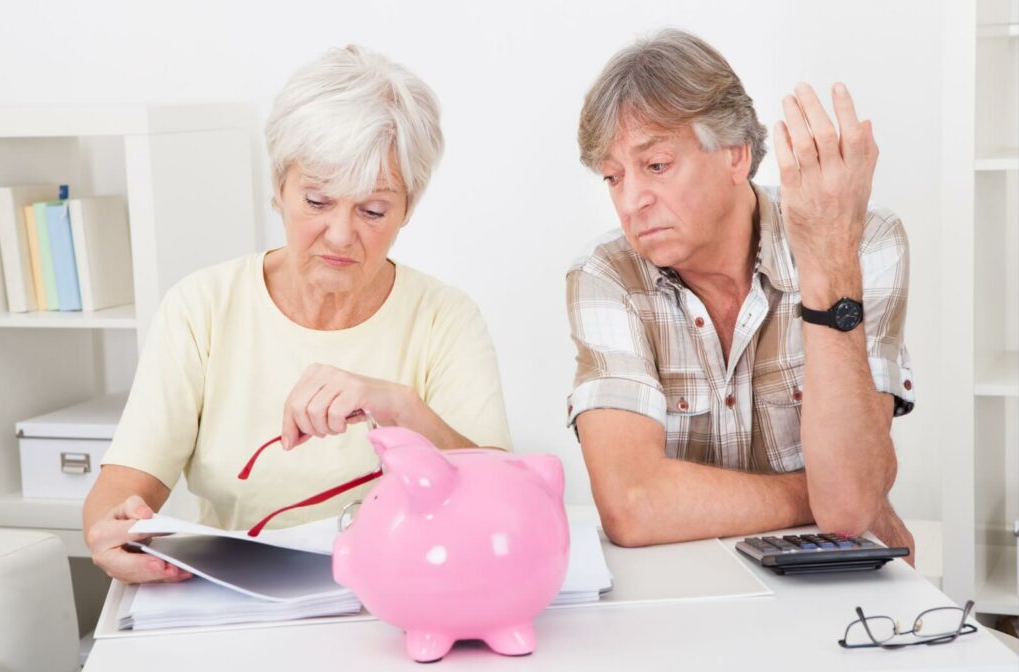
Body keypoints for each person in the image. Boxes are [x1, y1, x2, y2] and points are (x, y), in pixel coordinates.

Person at [83, 45, 512, 584]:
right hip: (236, 602)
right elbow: (122, 490)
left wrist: (401, 407)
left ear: (409, 208)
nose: (339, 234)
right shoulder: (202, 307)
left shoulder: (444, 317)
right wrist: (115, 529)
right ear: (279, 188)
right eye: (316, 201)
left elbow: (503, 502)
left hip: (401, 598)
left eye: (373, 210)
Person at [567, 29, 916, 560]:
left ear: (735, 154)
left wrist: (827, 262)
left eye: (656, 165)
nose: (631, 200)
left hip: (833, 593)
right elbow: (632, 504)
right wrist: (821, 497)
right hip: (688, 594)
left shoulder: (859, 241)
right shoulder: (607, 274)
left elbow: (847, 503)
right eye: (613, 177)